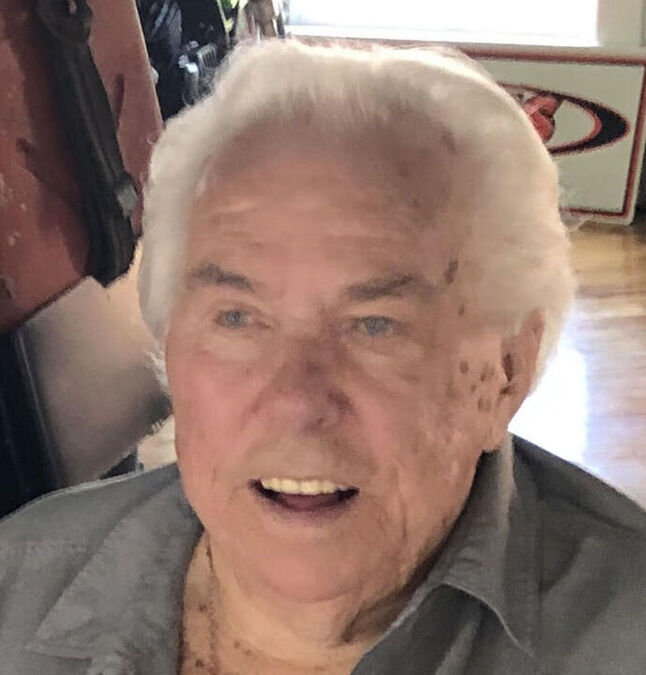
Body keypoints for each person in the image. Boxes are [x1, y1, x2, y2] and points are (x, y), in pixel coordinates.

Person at [1, 39, 646, 675]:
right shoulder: (18, 586)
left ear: (506, 371)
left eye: (374, 326)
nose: (296, 403)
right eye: (237, 318)